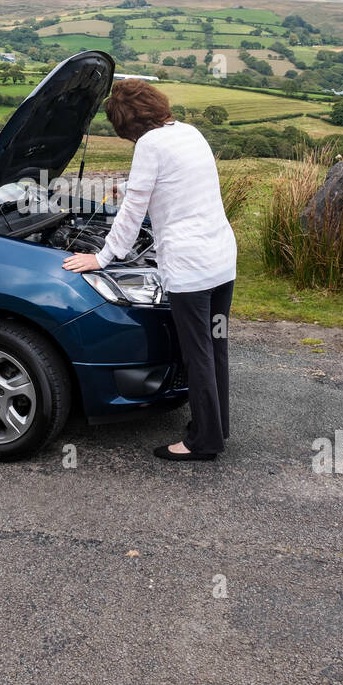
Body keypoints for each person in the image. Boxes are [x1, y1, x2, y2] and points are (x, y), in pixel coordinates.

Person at [62, 80, 237, 461]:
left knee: (197, 353)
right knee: (215, 346)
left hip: (190, 266)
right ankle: (217, 426)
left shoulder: (149, 144)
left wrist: (104, 257)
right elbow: (173, 183)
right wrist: (126, 186)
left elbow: (133, 211)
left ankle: (203, 442)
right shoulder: (188, 133)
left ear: (126, 124)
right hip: (221, 257)